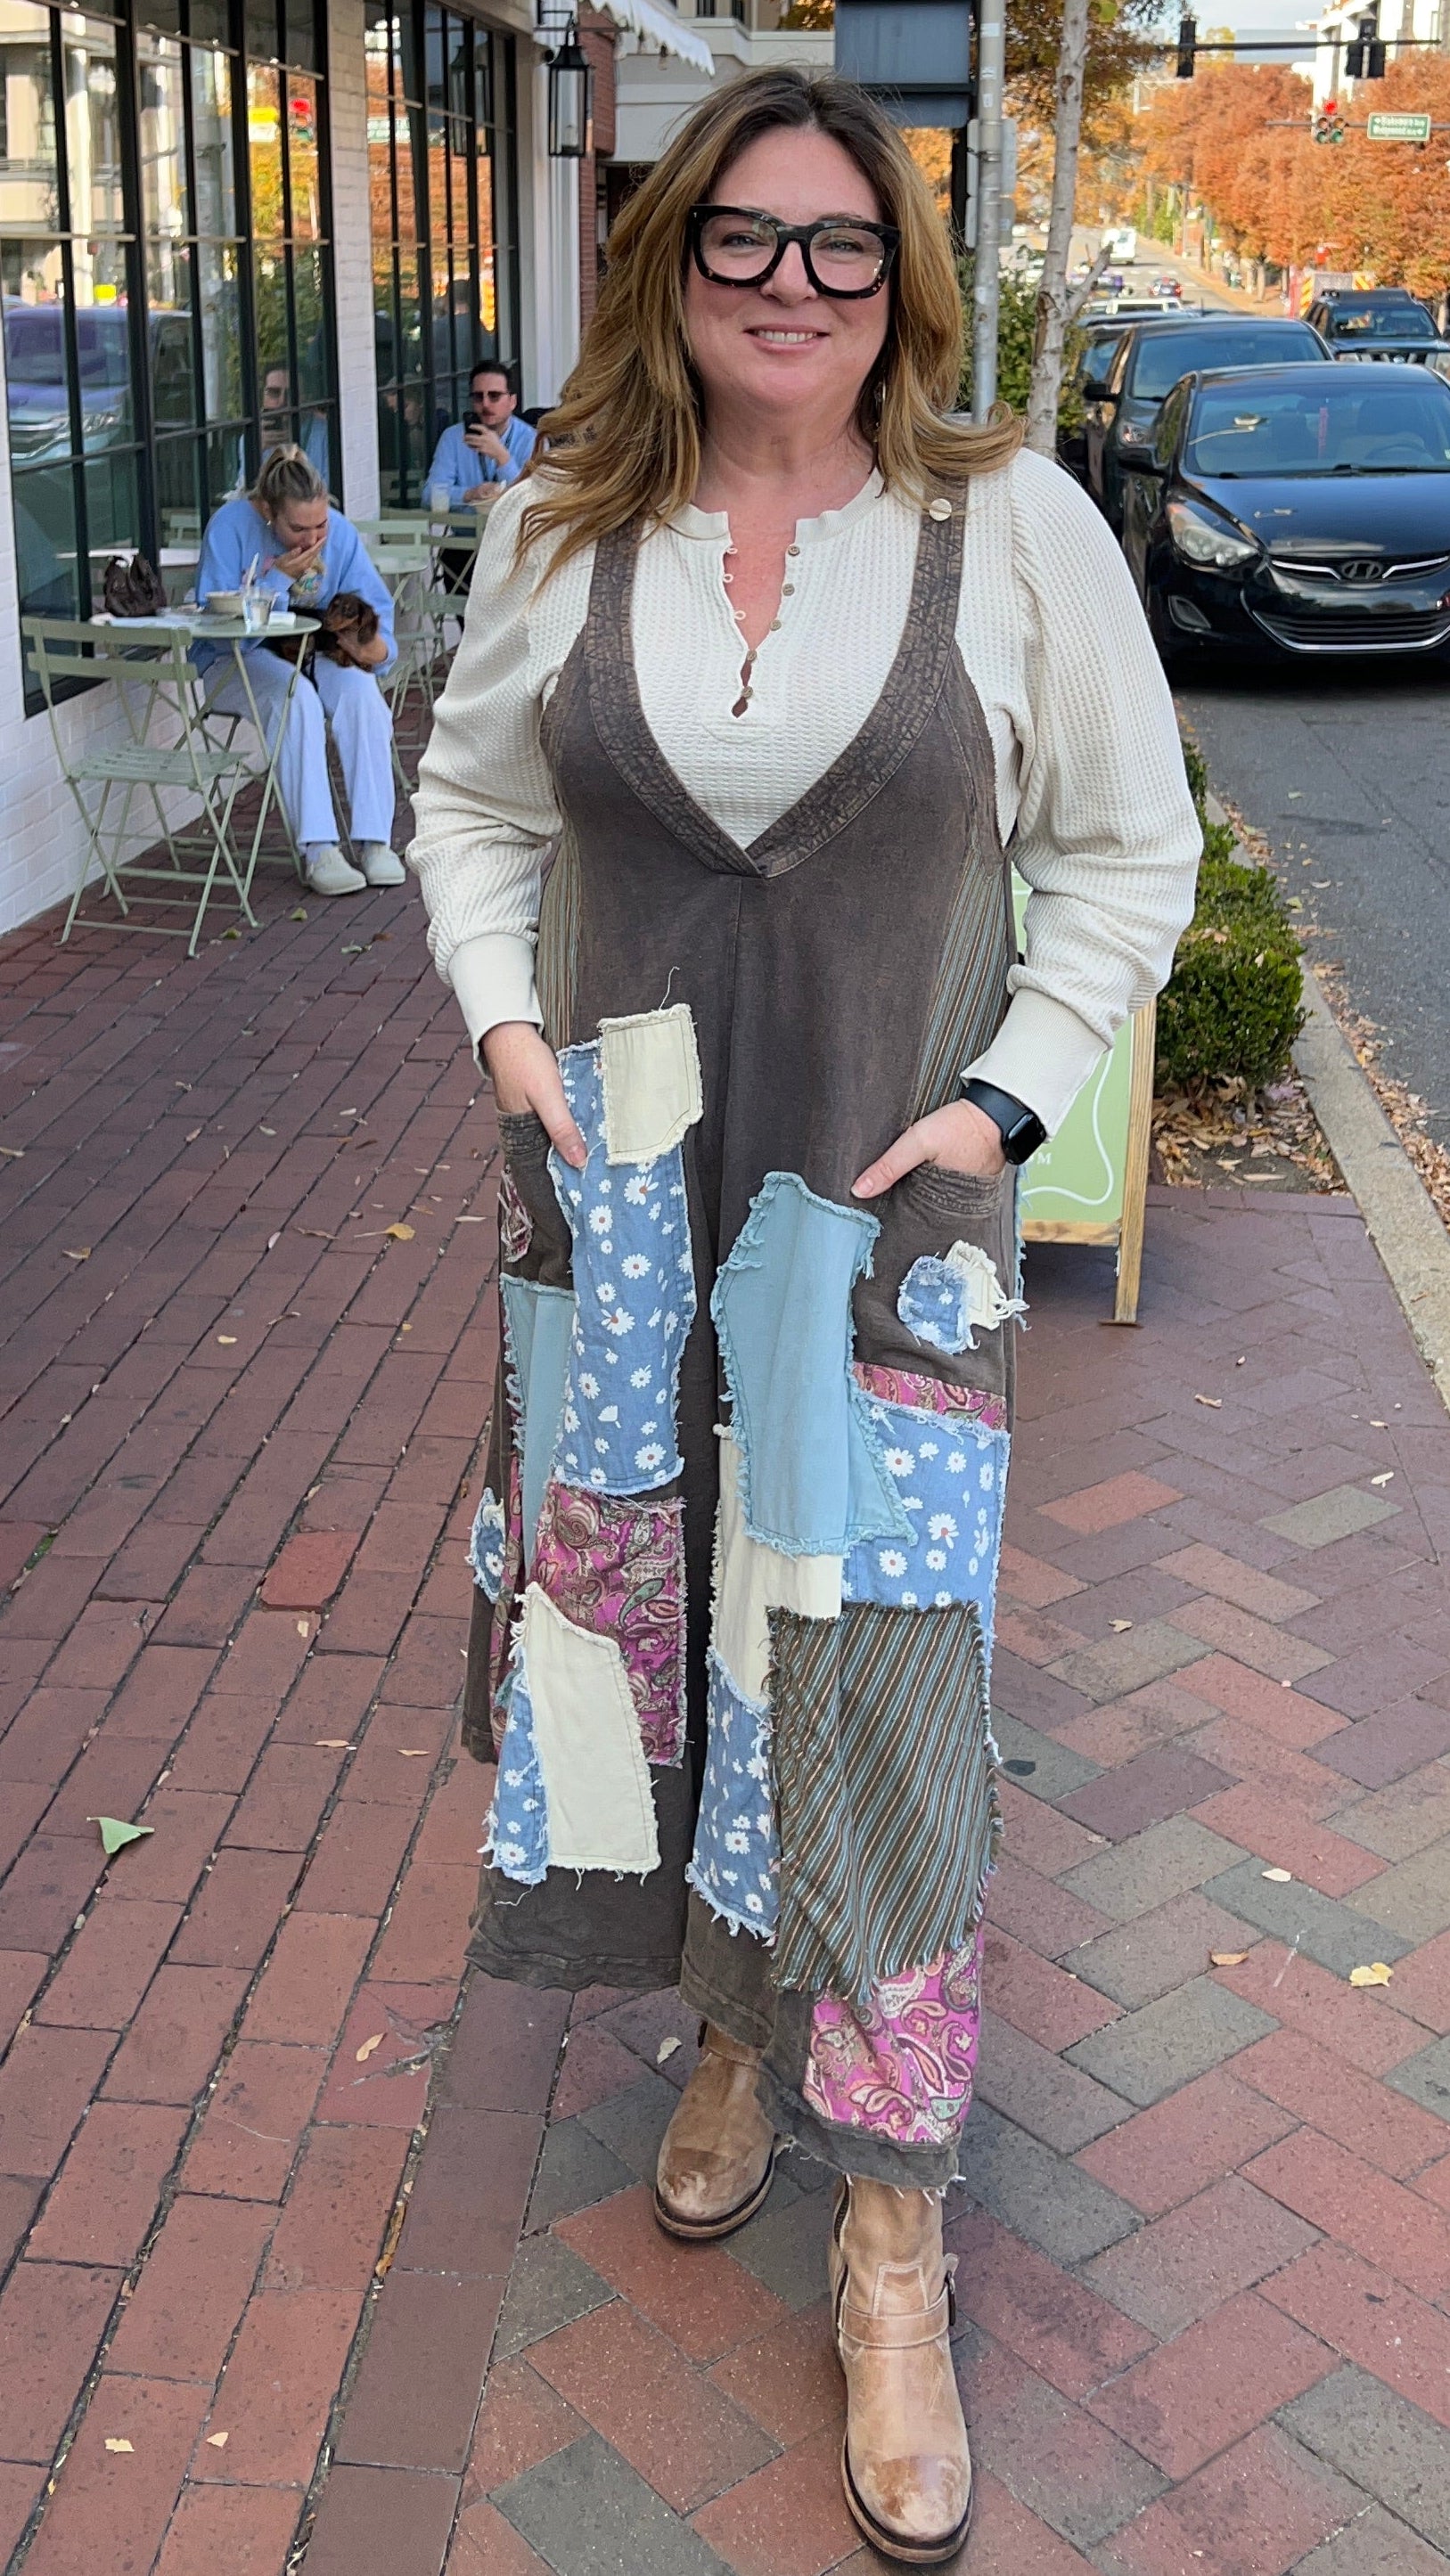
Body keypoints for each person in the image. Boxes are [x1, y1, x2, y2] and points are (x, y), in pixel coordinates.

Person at [409, 67, 1199, 2566]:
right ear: (668, 263)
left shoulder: (1011, 529)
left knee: (868, 1689)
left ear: (898, 278)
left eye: (838, 243)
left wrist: (1002, 1098)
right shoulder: (565, 526)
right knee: (659, 1651)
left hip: (878, 1234)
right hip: (622, 1221)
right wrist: (508, 1036)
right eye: (737, 237)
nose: (787, 282)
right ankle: (734, 2035)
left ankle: (887, 2229)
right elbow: (469, 806)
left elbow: (1130, 856)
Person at [195, 446, 405, 899]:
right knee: (297, 699)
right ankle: (319, 849)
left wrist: (371, 648)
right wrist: (277, 581)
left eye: (320, 525)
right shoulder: (230, 526)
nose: (312, 539)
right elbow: (218, 631)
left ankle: (375, 841)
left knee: (362, 694)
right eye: (298, 528)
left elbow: (381, 626)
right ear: (267, 511)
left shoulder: (340, 533)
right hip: (236, 660)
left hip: (316, 652)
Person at [425, 359, 536, 503]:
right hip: (466, 519)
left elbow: (531, 500)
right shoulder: (453, 437)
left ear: (512, 401)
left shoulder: (532, 440)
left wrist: (502, 457)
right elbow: (429, 495)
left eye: (494, 396)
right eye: (478, 396)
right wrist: (470, 494)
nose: (485, 404)